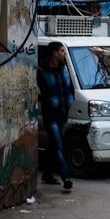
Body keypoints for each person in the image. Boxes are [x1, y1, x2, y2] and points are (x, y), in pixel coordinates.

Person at [37, 42, 74, 190]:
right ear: (54, 53)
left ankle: (47, 174)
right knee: (58, 146)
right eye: (62, 51)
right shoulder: (42, 71)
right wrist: (47, 102)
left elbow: (69, 88)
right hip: (50, 115)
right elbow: (38, 91)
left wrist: (70, 101)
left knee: (54, 146)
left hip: (63, 113)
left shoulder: (64, 69)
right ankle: (66, 177)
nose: (64, 54)